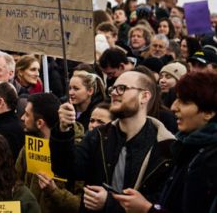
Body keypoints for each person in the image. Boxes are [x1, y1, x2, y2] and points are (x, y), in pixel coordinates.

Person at [51, 71, 175, 212]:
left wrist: (110, 203)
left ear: (144, 96)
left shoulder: (165, 146)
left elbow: (161, 202)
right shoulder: (99, 135)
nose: (114, 93)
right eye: (113, 89)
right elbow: (65, 168)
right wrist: (63, 130)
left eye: (122, 88)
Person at [110, 71, 217, 212]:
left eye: (184, 102)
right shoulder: (186, 147)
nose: (173, 107)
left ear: (209, 113)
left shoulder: (211, 159)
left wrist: (146, 209)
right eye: (176, 99)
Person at [15, 93, 82, 213]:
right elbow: (16, 181)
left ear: (40, 123)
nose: (22, 118)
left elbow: (80, 205)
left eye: (27, 115)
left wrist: (54, 191)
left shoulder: (76, 151)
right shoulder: (28, 147)